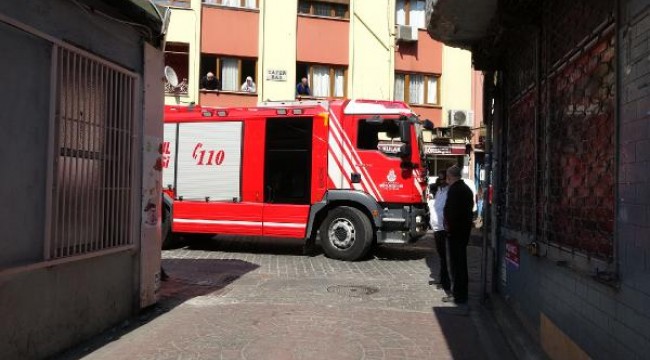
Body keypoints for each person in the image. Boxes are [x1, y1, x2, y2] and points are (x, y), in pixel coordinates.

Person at [443, 165, 474, 304]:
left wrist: (449, 227)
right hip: (464, 231)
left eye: (447, 178)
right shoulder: (466, 189)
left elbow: (452, 212)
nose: (446, 180)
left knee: (456, 264)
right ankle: (462, 293)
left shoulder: (455, 190)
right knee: (461, 263)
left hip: (455, 232)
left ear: (451, 177)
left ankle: (459, 295)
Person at [427, 170, 450, 292]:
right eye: (439, 180)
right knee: (441, 256)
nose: (441, 182)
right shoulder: (439, 191)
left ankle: (446, 282)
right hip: (436, 228)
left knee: (445, 256)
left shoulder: (449, 191)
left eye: (443, 179)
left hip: (443, 228)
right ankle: (442, 279)